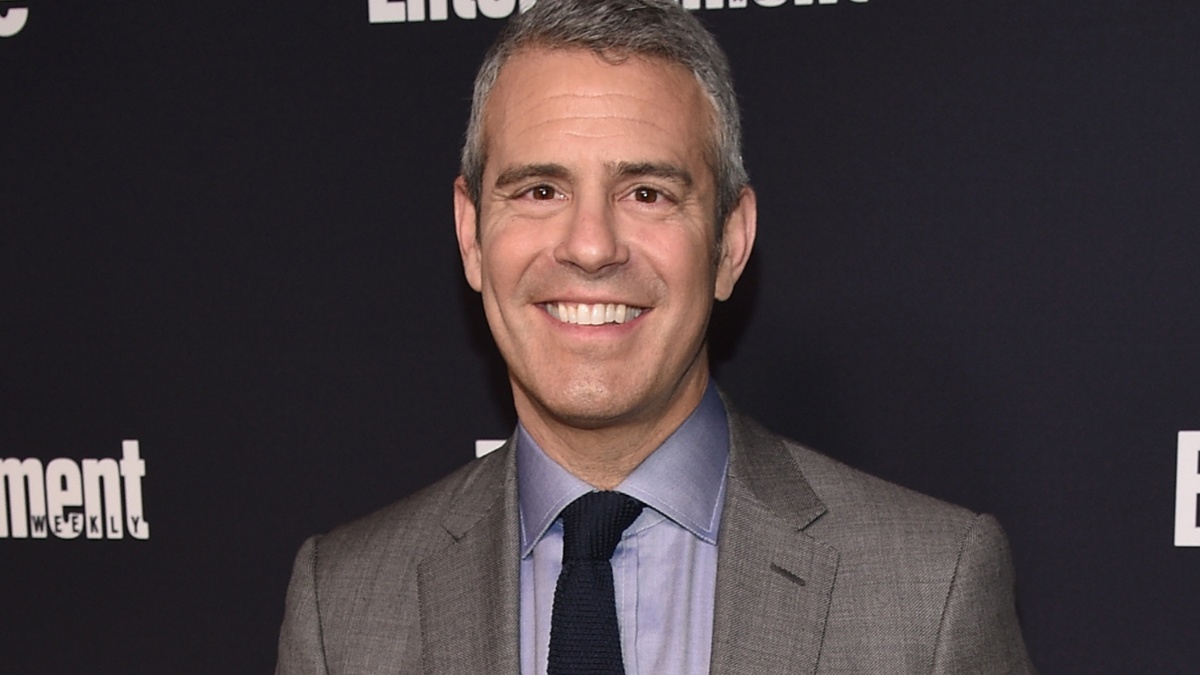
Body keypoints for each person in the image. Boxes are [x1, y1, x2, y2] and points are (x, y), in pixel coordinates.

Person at [275, 1, 1035, 673]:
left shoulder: (930, 594)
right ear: (471, 234)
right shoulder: (341, 609)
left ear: (730, 241)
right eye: (541, 190)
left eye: (646, 193)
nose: (591, 245)